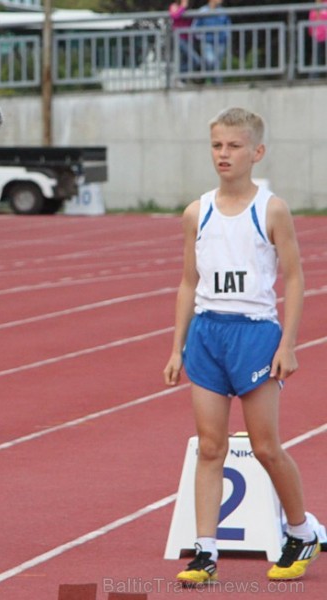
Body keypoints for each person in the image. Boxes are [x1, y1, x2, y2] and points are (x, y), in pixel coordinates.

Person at [163, 107, 319, 584]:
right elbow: (189, 282)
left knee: (266, 446)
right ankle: (205, 552)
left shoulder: (271, 209)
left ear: (257, 152)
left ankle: (301, 532)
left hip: (255, 333)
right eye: (216, 146)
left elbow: (294, 279)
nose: (224, 155)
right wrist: (177, 347)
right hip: (207, 336)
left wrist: (288, 344)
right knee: (210, 447)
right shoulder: (197, 211)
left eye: (233, 146)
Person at [193, 0, 231, 84]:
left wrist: (225, 36)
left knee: (217, 65)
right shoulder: (203, 11)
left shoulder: (222, 11)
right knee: (210, 61)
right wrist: (201, 37)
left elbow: (227, 25)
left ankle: (216, 84)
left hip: (220, 42)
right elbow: (195, 27)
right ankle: (211, 80)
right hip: (207, 42)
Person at [169, 0, 200, 83]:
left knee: (185, 60)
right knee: (196, 60)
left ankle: (181, 80)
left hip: (189, 38)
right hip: (179, 38)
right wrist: (182, 7)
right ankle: (177, 74)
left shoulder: (189, 8)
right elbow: (174, 16)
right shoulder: (174, 6)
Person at [308, 0, 327, 77]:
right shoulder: (316, 7)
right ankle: (313, 76)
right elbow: (311, 21)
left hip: (319, 35)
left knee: (317, 57)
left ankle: (313, 76)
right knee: (317, 57)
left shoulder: (318, 6)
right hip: (319, 36)